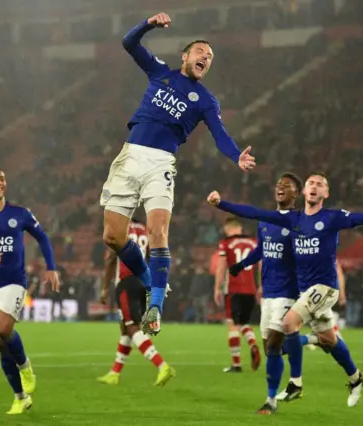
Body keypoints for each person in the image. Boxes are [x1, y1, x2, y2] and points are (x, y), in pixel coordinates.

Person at [99, 12, 256, 336]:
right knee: (113, 237)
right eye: (201, 52)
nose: (205, 58)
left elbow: (220, 134)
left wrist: (235, 155)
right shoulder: (160, 73)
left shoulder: (206, 101)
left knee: (158, 231)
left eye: (210, 57)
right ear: (185, 56)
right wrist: (148, 24)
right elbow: (129, 43)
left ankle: (155, 305)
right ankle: (151, 281)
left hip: (161, 163)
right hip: (130, 156)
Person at [207, 173, 363, 407]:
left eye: (320, 185)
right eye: (311, 183)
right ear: (305, 191)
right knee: (330, 340)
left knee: (288, 323)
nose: (314, 187)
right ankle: (356, 378)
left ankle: (296, 383)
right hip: (305, 291)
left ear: (325, 194)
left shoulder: (333, 217)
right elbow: (255, 213)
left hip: (325, 288)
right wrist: (221, 204)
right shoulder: (293, 219)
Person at [0, 167, 60, 415]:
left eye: (2, 179)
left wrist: (51, 267)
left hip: (14, 281)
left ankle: (25, 366)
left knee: (3, 329)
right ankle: (20, 396)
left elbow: (43, 237)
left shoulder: (20, 213)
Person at [228, 173, 302, 414]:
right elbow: (261, 249)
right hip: (268, 292)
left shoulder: (299, 221)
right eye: (278, 184)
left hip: (288, 291)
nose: (280, 188)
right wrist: (242, 265)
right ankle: (312, 340)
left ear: (296, 194)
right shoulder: (266, 221)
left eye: (287, 186)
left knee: (272, 347)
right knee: (272, 348)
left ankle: (270, 401)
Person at [97, 218, 175, 386]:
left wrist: (104, 288)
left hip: (126, 281)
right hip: (142, 279)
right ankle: (115, 373)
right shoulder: (144, 230)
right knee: (125, 327)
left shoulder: (120, 227)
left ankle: (162, 366)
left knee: (133, 327)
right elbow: (151, 255)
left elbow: (111, 258)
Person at [214, 217, 261, 374]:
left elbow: (221, 268)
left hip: (233, 289)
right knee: (243, 323)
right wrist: (262, 286)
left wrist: (217, 288)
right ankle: (253, 343)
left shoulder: (225, 243)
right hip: (250, 289)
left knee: (232, 324)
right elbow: (262, 265)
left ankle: (236, 364)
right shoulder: (254, 242)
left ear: (229, 228)